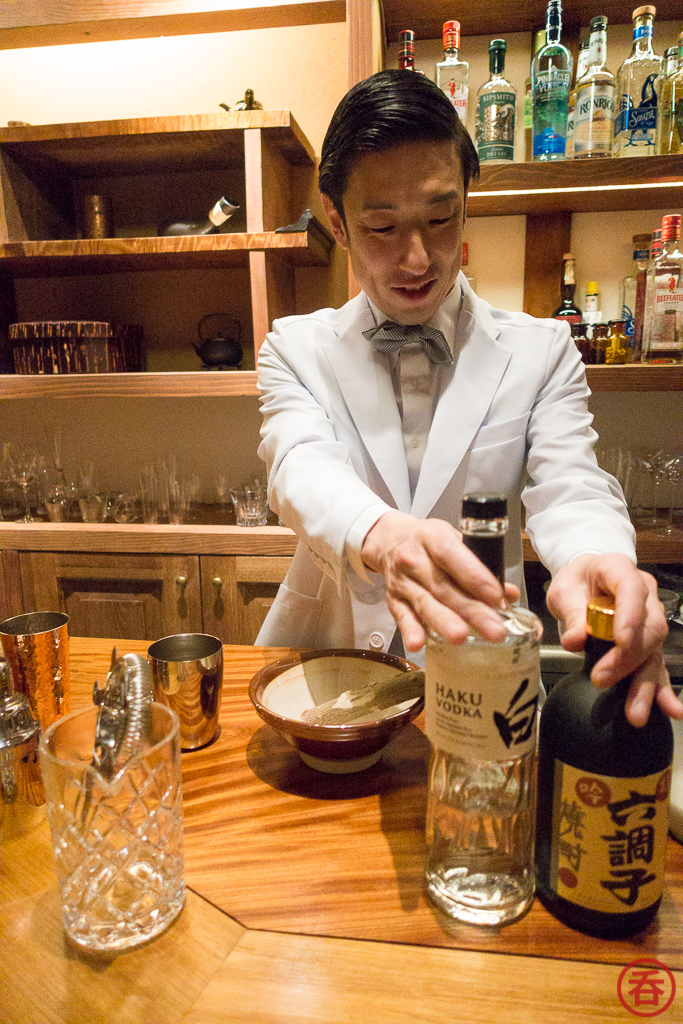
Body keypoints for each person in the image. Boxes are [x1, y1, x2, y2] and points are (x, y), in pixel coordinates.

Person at [256, 69, 681, 727]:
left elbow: (571, 487)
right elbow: (298, 466)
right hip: (329, 676)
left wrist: (597, 563)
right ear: (337, 224)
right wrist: (382, 535)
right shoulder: (295, 347)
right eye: (382, 227)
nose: (418, 258)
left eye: (439, 218)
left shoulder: (541, 350)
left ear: (466, 204)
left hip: (486, 676)